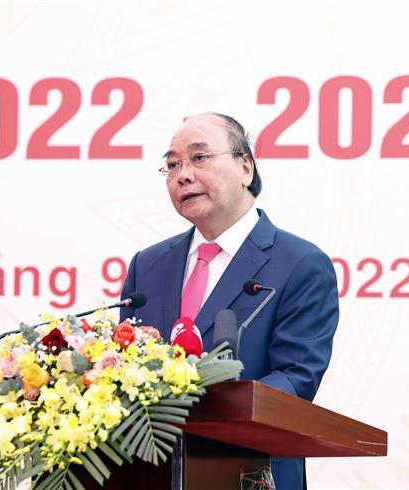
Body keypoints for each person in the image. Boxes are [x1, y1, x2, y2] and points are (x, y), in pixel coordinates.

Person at [120, 112, 339, 489]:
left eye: (199, 157)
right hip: (150, 473)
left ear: (245, 167)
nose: (183, 175)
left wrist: (204, 407)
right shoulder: (148, 265)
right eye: (172, 165)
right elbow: (124, 367)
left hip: (250, 471)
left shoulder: (301, 264)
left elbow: (297, 378)